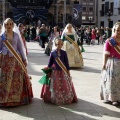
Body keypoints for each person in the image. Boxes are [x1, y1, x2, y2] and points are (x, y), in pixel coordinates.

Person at [0, 18, 33, 106]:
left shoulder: (16, 36)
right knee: (5, 78)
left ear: (13, 25)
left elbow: (20, 48)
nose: (9, 26)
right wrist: (2, 53)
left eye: (10, 24)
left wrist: (24, 59)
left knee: (16, 78)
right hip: (5, 60)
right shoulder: (2, 36)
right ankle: (5, 98)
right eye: (7, 24)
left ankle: (16, 98)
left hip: (16, 59)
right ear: (4, 25)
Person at [40, 38, 78, 105]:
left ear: (62, 45)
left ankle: (64, 97)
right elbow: (50, 63)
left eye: (60, 44)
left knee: (64, 84)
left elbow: (67, 63)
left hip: (63, 72)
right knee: (54, 85)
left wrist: (68, 72)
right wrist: (48, 70)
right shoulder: (52, 53)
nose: (59, 45)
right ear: (55, 44)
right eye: (58, 44)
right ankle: (54, 97)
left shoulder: (64, 53)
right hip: (55, 72)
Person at [100, 22, 120, 106]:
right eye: (118, 30)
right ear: (114, 30)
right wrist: (104, 64)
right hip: (112, 63)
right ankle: (112, 98)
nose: (119, 32)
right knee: (111, 81)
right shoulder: (109, 41)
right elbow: (106, 53)